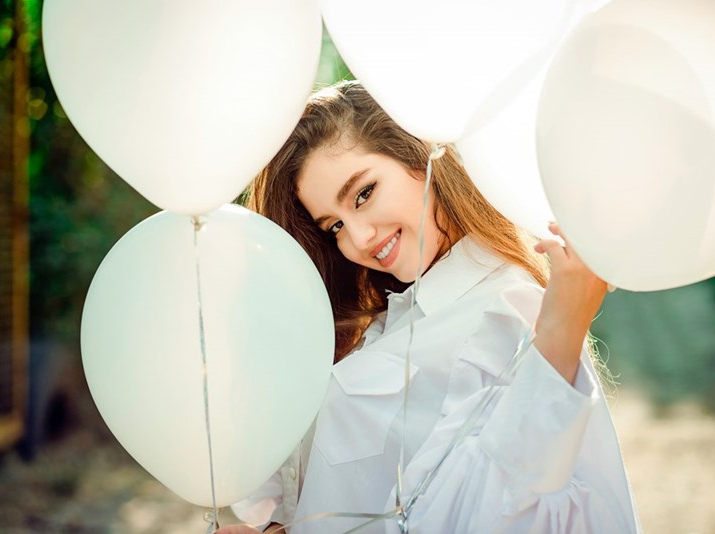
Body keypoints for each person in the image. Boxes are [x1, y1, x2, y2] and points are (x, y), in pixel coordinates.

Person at [217, 81, 640, 533]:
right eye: (334, 225)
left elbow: (498, 510)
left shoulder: (501, 309)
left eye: (363, 193)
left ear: (420, 156)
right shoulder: (389, 316)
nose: (356, 239)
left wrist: (562, 327)